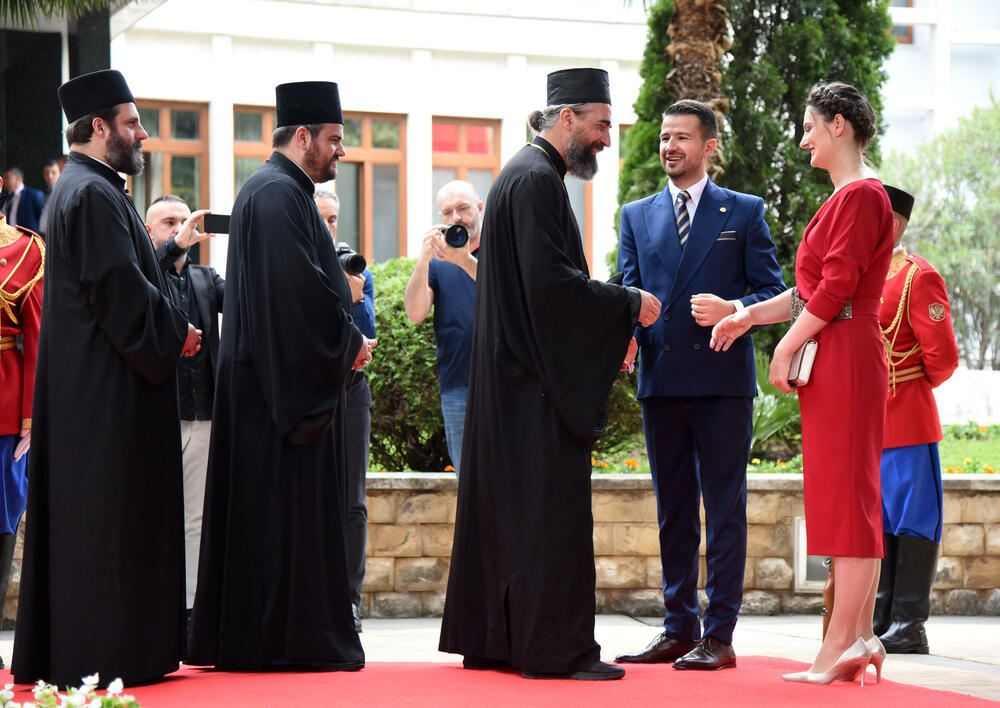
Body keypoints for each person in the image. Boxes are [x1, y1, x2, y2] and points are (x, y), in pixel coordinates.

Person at [438, 68, 661, 681]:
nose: (606, 139)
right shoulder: (536, 180)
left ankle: (499, 641)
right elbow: (548, 288)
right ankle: (550, 649)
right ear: (568, 117)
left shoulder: (522, 174)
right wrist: (626, 305)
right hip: (532, 388)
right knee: (543, 520)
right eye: (601, 125)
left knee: (512, 518)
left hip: (511, 383)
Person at [11, 69, 201, 687]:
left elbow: (132, 274)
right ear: (99, 127)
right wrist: (178, 334)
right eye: (132, 123)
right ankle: (107, 655)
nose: (142, 134)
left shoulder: (89, 188)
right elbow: (121, 292)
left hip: (92, 390)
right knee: (106, 526)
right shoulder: (92, 193)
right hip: (105, 395)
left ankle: (98, 651)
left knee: (98, 525)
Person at [711, 82, 895, 685]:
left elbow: (837, 288)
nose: (804, 138)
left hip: (844, 351)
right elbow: (812, 291)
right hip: (836, 347)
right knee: (843, 495)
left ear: (840, 125)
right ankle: (857, 635)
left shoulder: (863, 195)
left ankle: (845, 640)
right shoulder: (849, 199)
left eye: (812, 126)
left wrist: (787, 346)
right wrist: (749, 316)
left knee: (851, 496)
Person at [188, 81, 373, 672]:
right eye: (335, 140)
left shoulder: (280, 191)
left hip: (269, 386)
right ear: (302, 136)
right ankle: (280, 641)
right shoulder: (274, 194)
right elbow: (295, 297)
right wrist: (347, 344)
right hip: (273, 398)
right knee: (275, 525)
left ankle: (279, 638)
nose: (341, 152)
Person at [614, 100, 785, 671]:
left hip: (721, 385)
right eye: (664, 137)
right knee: (673, 511)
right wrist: (624, 334)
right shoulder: (636, 215)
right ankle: (677, 627)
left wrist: (734, 307)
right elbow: (629, 292)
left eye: (682, 138)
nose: (669, 147)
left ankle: (721, 633)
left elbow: (775, 292)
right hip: (662, 382)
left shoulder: (745, 210)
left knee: (726, 509)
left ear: (709, 146)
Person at [874, 184, 958, 654]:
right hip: (871, 423)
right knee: (882, 520)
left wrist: (901, 381)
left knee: (914, 519)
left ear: (894, 223)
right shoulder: (866, 275)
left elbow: (942, 357)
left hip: (907, 418)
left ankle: (910, 622)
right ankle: (882, 614)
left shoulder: (918, 276)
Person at [145, 194, 224, 612]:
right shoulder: (144, 272)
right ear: (148, 231)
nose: (178, 229)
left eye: (183, 221)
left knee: (195, 519)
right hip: (156, 415)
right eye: (168, 223)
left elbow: (251, 301)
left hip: (204, 412)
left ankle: (191, 609)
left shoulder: (207, 278)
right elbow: (152, 267)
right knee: (152, 516)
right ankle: (153, 605)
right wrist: (173, 249)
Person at [315, 189, 375, 632]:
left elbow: (367, 338)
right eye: (322, 219)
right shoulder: (300, 263)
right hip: (312, 391)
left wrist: (351, 294)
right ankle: (314, 594)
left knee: (353, 498)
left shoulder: (356, 269)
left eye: (334, 219)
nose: (330, 228)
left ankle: (349, 599)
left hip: (352, 391)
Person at [403, 180, 482, 475]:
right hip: (457, 385)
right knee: (468, 479)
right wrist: (423, 261)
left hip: (504, 380)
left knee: (508, 478)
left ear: (479, 208)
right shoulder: (438, 262)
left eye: (463, 208)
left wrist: (465, 261)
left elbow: (505, 294)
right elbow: (415, 313)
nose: (456, 218)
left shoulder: (502, 248)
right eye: (447, 212)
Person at [0, 175, 43, 671]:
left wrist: (31, 418)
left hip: (6, 408)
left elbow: (36, 336)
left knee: (2, 518)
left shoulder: (26, 250)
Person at [2, 168, 45, 235]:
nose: (4, 181)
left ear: (18, 179)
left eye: (7, 178)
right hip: (10, 237)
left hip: (27, 238)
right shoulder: (6, 196)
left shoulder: (33, 195)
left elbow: (40, 216)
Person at [38, 160, 62, 236]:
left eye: (53, 173)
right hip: (45, 235)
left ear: (60, 173)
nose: (49, 176)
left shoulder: (62, 191)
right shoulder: (48, 191)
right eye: (46, 173)